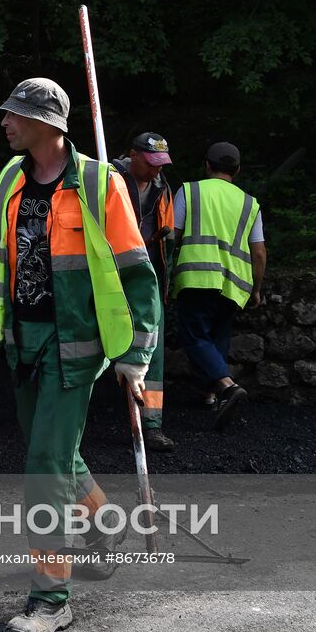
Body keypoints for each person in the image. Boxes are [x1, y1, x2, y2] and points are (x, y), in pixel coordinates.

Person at [0, 78, 161, 632]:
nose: (5, 123)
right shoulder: (9, 180)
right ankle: (107, 525)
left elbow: (137, 271)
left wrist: (136, 353)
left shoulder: (97, 183)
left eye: (15, 115)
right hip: (24, 345)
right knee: (58, 456)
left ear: (48, 124)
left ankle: (51, 598)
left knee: (44, 468)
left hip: (76, 350)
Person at [170, 141, 267, 430]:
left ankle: (226, 386)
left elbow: (170, 236)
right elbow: (259, 251)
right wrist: (256, 288)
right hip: (234, 283)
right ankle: (211, 395)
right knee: (218, 337)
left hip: (197, 277)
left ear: (207, 165)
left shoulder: (190, 191)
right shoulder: (250, 203)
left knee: (194, 336)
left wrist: (162, 277)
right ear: (237, 170)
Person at [111, 133, 176, 451]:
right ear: (133, 155)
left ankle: (151, 425)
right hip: (108, 277)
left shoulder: (163, 189)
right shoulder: (107, 180)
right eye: (151, 164)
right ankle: (70, 423)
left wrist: (163, 285)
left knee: (154, 352)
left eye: (160, 165)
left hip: (147, 279)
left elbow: (168, 242)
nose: (156, 171)